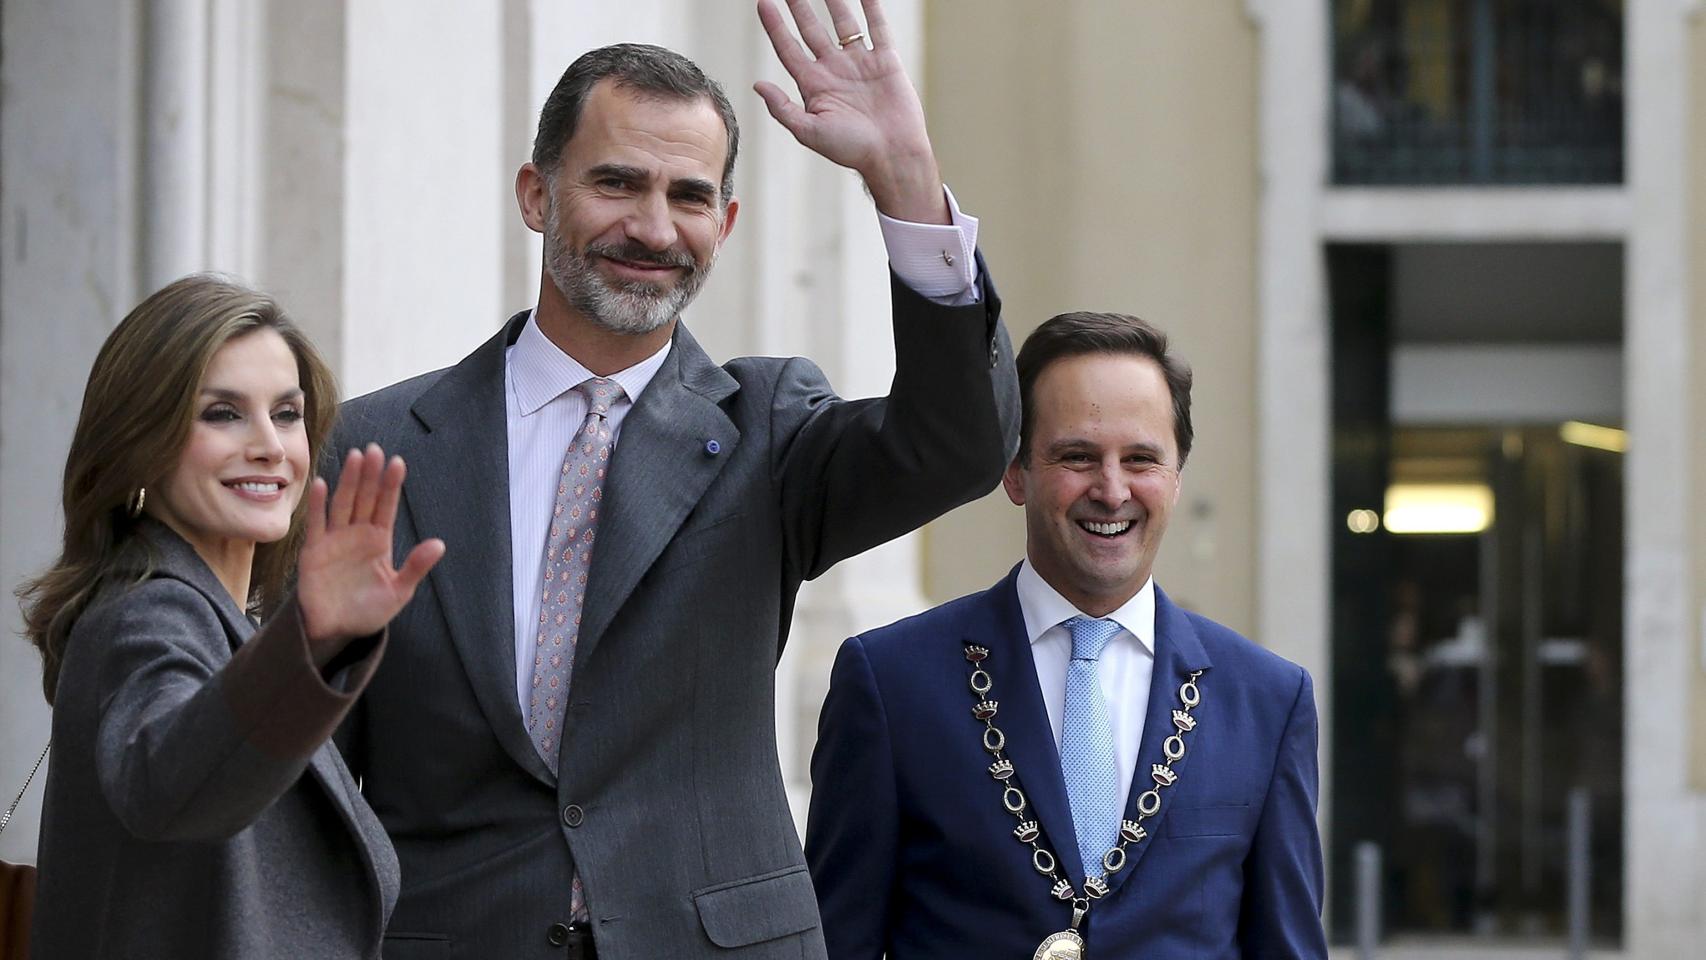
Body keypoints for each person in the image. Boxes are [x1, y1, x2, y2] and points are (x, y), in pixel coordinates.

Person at [324, 0, 1017, 955]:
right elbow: (309, 765)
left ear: (724, 224)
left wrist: (906, 184)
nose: (653, 228)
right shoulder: (373, 446)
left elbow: (960, 446)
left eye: (688, 197)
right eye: (616, 182)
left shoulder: (767, 431)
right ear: (536, 195)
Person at [806, 312, 1328, 959]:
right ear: (1015, 471)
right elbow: (835, 942)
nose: (1111, 490)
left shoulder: (1268, 701)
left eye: (1141, 459)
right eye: (1078, 457)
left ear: (1176, 479)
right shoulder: (891, 682)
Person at [19, 275, 443, 959]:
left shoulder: (220, 618)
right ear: (139, 439)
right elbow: (174, 785)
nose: (270, 445)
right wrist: (309, 638)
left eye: (287, 413)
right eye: (222, 414)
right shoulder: (147, 611)